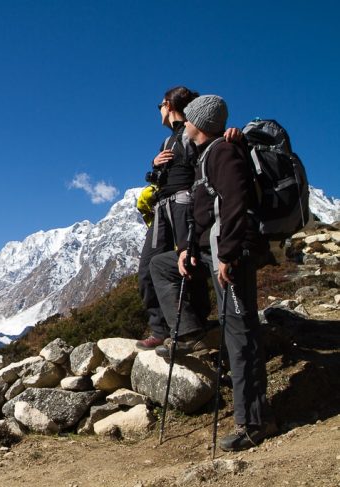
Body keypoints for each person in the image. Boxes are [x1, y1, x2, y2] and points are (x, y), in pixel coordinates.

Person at [150, 95, 276, 451]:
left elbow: (236, 204)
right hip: (207, 251)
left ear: (200, 125)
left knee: (240, 332)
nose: (184, 125)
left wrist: (230, 255)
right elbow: (203, 214)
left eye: (188, 120)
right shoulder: (204, 157)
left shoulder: (223, 153)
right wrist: (188, 248)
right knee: (162, 265)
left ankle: (254, 421)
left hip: (230, 255)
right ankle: (190, 331)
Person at [135, 86, 210, 350]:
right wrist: (155, 167)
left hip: (184, 204)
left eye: (160, 105)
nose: (159, 110)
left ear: (168, 104)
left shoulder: (193, 132)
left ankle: (194, 327)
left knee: (188, 263)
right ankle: (160, 329)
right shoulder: (167, 142)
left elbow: (209, 154)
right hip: (162, 207)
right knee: (147, 268)